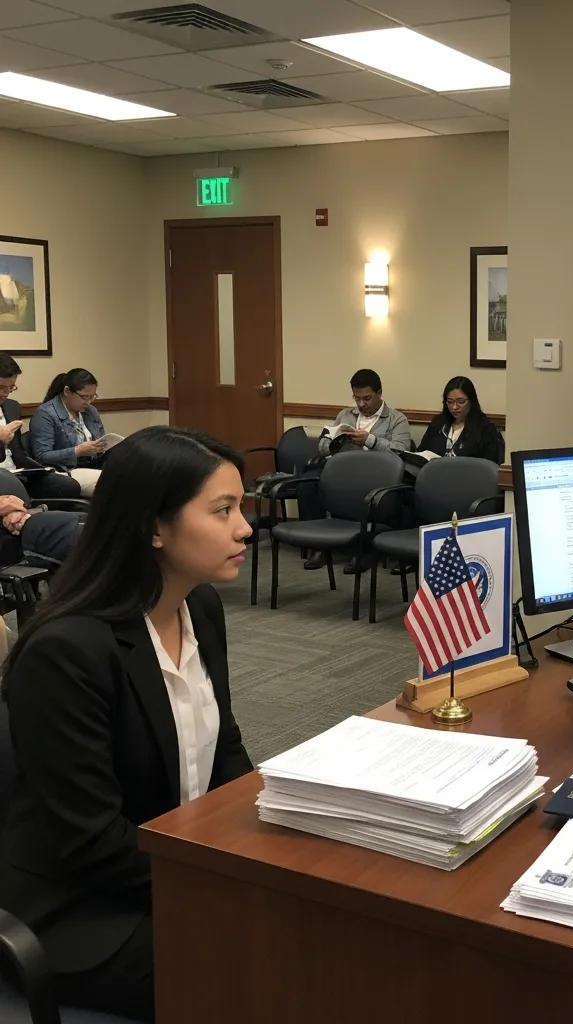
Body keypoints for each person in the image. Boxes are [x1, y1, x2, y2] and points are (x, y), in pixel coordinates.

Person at [0, 426, 254, 1022]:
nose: (245, 527)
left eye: (241, 508)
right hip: (83, 910)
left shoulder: (200, 607)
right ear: (153, 527)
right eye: (222, 511)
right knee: (269, 957)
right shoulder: (68, 651)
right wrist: (226, 882)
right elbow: (92, 845)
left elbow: (228, 758)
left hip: (172, 869)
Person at [298, 368, 411, 570]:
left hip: (376, 475)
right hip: (344, 472)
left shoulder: (396, 419)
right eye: (357, 398)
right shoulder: (345, 415)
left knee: (367, 492)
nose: (361, 404)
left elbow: (401, 451)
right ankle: (318, 546)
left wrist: (370, 440)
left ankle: (365, 551)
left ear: (379, 393)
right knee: (308, 483)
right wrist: (331, 442)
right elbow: (324, 447)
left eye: (367, 398)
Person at [0, 353, 81, 501]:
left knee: (68, 486)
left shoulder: (12, 407)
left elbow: (18, 453)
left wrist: (39, 470)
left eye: (10, 388)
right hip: (2, 477)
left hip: (19, 473)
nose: (5, 394)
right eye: (0, 387)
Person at [29, 368, 107, 496]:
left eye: (92, 396)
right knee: (114, 485)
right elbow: (42, 455)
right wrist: (77, 451)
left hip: (95, 464)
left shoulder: (90, 411)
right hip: (67, 471)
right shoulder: (45, 414)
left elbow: (101, 438)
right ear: (67, 391)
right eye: (84, 397)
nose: (88, 402)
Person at [417, 376, 504, 464]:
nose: (454, 407)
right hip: (434, 474)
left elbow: (490, 466)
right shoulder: (438, 423)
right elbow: (421, 452)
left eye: (461, 402)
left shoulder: (485, 428)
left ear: (471, 401)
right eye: (450, 402)